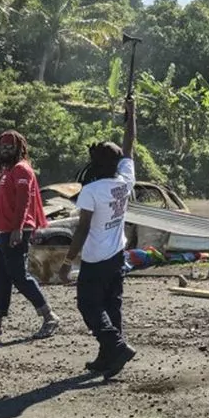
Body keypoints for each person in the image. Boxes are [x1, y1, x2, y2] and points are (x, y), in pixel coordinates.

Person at [61, 98, 137, 379]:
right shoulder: (124, 182)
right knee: (111, 305)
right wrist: (132, 115)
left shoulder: (91, 191)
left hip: (95, 258)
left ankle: (116, 347)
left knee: (88, 305)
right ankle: (108, 358)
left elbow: (81, 230)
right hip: (117, 255)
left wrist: (68, 262)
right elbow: (130, 146)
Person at [0, 131, 61, 338]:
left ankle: (50, 317)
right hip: (5, 230)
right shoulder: (7, 170)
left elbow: (24, 202)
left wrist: (18, 229)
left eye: (9, 147)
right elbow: (1, 186)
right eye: (2, 147)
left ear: (19, 148)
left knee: (19, 276)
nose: (5, 150)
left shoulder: (22, 170)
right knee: (1, 277)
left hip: (16, 230)